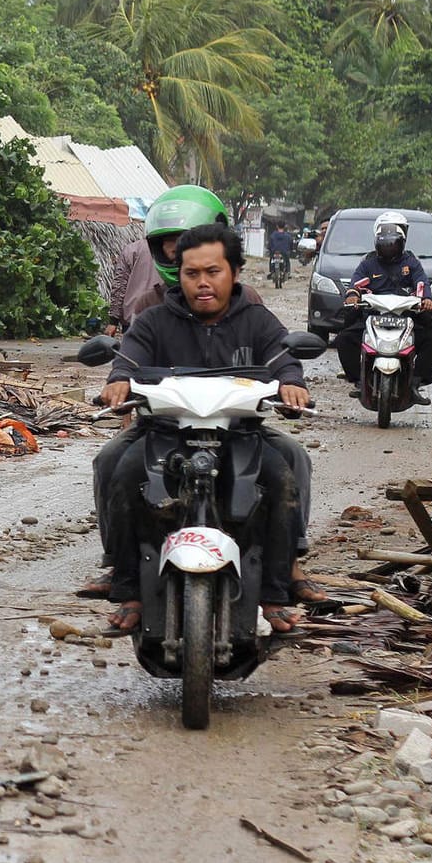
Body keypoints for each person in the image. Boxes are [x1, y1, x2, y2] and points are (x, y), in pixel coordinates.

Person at [97, 224, 313, 633]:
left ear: (233, 272)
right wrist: (119, 378)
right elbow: (129, 356)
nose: (202, 283)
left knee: (283, 479)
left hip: (240, 432)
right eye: (191, 273)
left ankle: (275, 594)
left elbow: (284, 357)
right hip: (164, 430)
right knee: (120, 471)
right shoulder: (155, 319)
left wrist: (291, 382)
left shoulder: (257, 319)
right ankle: (127, 589)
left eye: (213, 272)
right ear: (178, 274)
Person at [119, 185, 265, 325]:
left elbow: (272, 343)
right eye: (168, 241)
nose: (176, 249)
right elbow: (133, 346)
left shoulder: (245, 298)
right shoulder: (149, 303)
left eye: (212, 271)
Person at [335, 210, 432, 390]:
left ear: (402, 243)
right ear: (377, 243)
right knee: (344, 339)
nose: (389, 247)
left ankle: (416, 381)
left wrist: (425, 300)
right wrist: (353, 295)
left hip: (406, 315)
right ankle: (358, 380)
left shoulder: (411, 263)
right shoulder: (368, 263)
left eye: (393, 244)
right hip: (373, 314)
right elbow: (356, 283)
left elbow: (421, 282)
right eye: (385, 244)